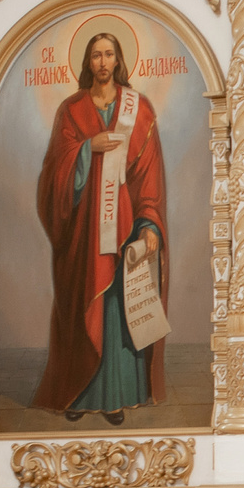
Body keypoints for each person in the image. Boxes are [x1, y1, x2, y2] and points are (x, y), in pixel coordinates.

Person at [33, 31, 169, 423]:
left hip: (124, 228)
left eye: (109, 54)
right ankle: (78, 393)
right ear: (88, 62)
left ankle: (117, 397)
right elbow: (52, 174)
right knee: (81, 308)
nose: (103, 62)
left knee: (118, 310)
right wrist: (84, 151)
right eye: (96, 55)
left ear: (119, 58)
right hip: (82, 234)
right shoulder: (71, 109)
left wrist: (149, 225)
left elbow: (149, 175)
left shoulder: (138, 108)